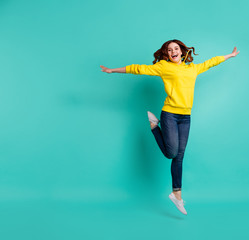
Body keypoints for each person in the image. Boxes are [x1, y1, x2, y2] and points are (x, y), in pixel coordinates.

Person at [100, 39, 239, 215]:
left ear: (182, 51)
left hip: (186, 117)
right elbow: (138, 68)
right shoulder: (164, 67)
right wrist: (113, 70)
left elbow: (211, 62)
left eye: (176, 48)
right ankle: (154, 127)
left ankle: (177, 195)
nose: (173, 51)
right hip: (170, 115)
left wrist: (230, 55)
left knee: (179, 157)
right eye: (169, 49)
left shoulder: (193, 69)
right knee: (171, 153)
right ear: (167, 54)